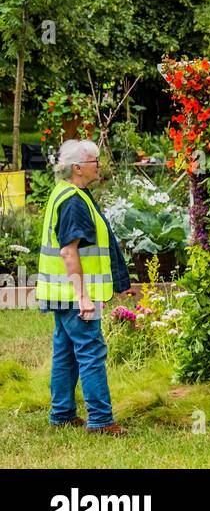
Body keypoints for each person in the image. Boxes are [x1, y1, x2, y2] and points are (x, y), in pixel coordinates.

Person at [36, 139, 131, 435]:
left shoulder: (72, 193)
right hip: (73, 295)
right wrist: (83, 297)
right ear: (77, 168)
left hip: (60, 292)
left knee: (65, 353)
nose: (99, 165)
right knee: (91, 352)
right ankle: (101, 421)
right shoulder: (74, 201)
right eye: (94, 161)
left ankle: (62, 413)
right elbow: (68, 251)